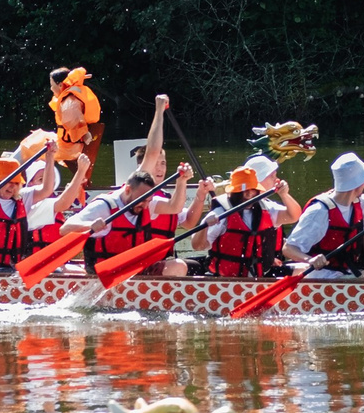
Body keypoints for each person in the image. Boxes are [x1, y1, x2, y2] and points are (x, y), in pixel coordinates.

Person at [58, 163, 201, 278]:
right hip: (105, 275)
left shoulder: (146, 202)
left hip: (136, 272)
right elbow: (64, 229)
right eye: (141, 201)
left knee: (178, 266)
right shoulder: (104, 206)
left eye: (148, 201)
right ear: (127, 190)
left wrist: (182, 181)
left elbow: (174, 207)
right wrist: (90, 225)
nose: (145, 205)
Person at [283, 153, 364, 281]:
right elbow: (288, 248)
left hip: (346, 274)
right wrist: (310, 259)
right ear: (358, 185)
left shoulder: (361, 203)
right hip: (323, 278)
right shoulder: (319, 211)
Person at [187, 159, 295, 278]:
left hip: (261, 276)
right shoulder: (220, 214)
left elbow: (293, 216)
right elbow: (198, 246)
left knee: (301, 269)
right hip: (228, 280)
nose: (249, 195)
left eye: (252, 190)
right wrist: (205, 227)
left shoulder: (267, 208)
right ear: (235, 192)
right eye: (244, 191)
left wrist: (284, 195)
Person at [49, 66, 104, 175]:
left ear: (60, 85)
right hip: (76, 146)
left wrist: (83, 133)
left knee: (29, 147)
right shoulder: (75, 93)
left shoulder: (68, 99)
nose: (51, 88)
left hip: (70, 149)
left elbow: (73, 119)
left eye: (52, 85)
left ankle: (14, 181)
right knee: (39, 137)